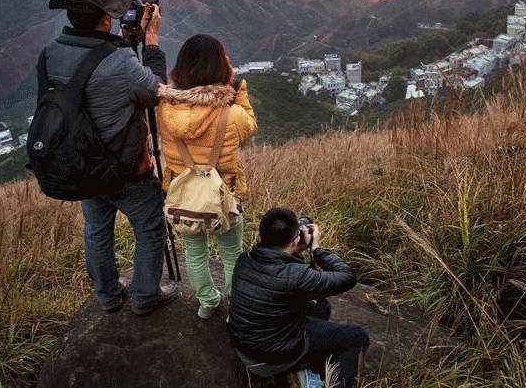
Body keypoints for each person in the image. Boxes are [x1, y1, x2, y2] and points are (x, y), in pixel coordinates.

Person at [42, 0, 177, 316]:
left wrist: (118, 42)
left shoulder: (51, 52)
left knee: (97, 229)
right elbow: (155, 92)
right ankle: (146, 296)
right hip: (123, 166)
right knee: (149, 227)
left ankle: (107, 295)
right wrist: (150, 43)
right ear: (106, 17)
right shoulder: (119, 61)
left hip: (81, 163)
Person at [157, 34, 258, 319]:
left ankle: (207, 302)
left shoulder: (166, 109)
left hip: (182, 192)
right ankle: (235, 308)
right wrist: (240, 92)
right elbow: (250, 127)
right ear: (221, 67)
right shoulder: (232, 113)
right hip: (223, 194)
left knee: (194, 253)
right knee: (231, 254)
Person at [229, 207, 369, 388]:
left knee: (321, 306)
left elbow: (280, 279)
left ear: (259, 236)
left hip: (244, 349)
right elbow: (347, 277)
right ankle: (313, 375)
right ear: (295, 240)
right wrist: (317, 249)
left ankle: (304, 367)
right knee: (357, 337)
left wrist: (294, 252)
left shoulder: (244, 259)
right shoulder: (297, 276)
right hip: (275, 358)